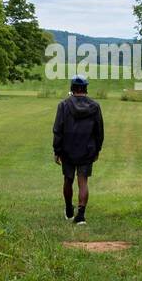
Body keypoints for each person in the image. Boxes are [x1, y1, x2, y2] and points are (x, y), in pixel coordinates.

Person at [52, 73, 104, 225]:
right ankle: (81, 215)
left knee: (68, 180)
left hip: (67, 150)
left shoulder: (63, 105)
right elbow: (99, 131)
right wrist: (97, 150)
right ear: (85, 88)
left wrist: (57, 150)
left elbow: (57, 130)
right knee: (83, 182)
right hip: (87, 149)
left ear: (72, 88)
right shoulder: (94, 106)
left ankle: (69, 208)